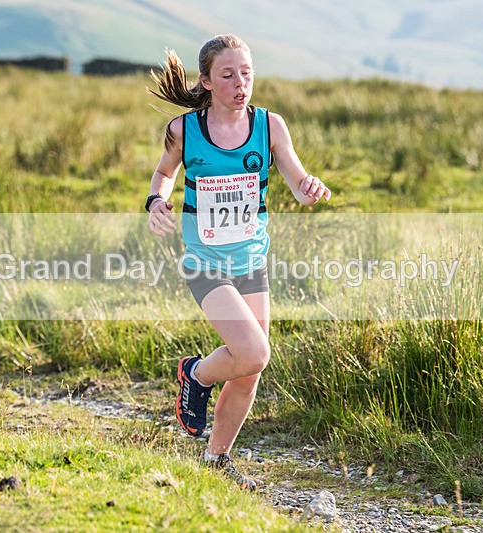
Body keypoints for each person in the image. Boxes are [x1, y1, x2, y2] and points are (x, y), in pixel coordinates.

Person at [145, 34, 330, 490]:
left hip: (251, 261)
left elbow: (295, 173)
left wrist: (308, 188)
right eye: (228, 74)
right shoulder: (184, 130)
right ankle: (196, 374)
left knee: (250, 368)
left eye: (246, 73)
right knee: (254, 352)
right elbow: (165, 173)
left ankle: (216, 461)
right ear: (207, 81)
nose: (240, 82)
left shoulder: (271, 125)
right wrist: (155, 202)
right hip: (203, 261)